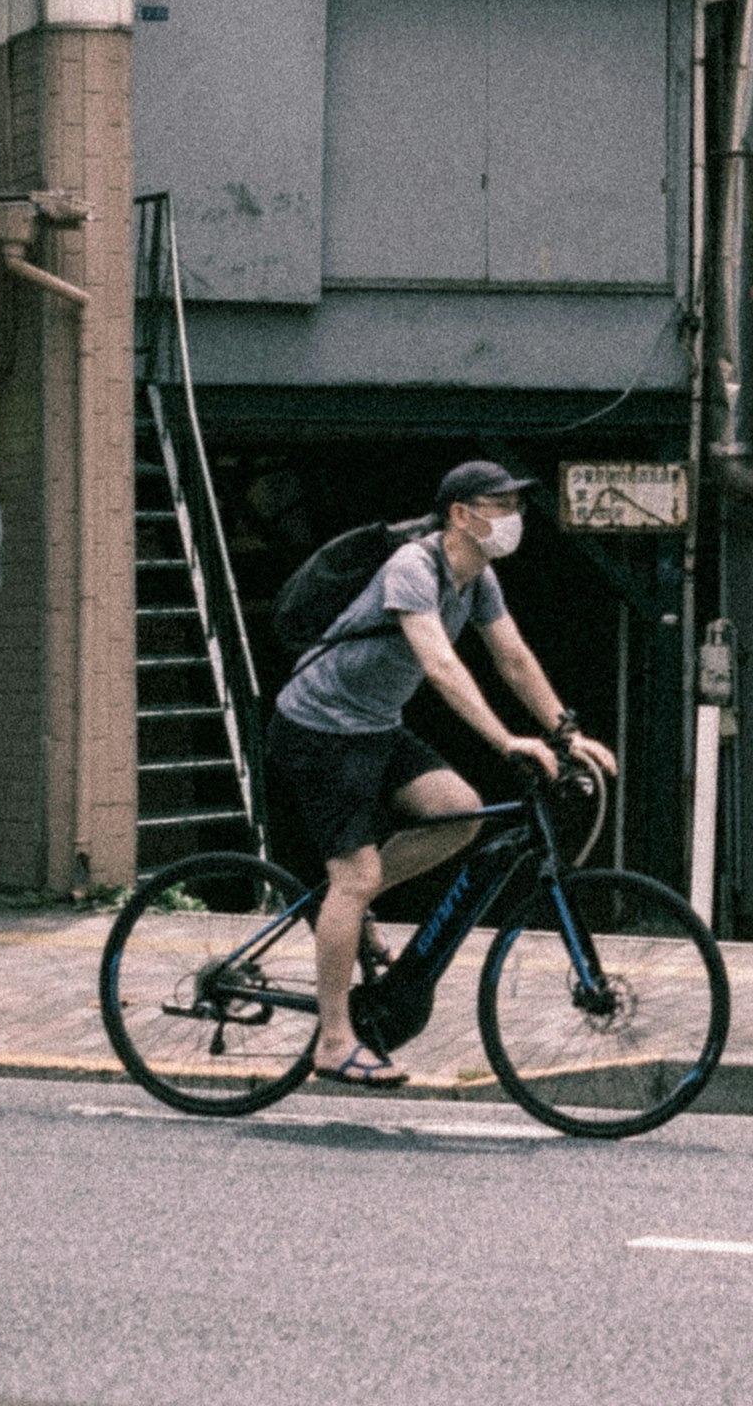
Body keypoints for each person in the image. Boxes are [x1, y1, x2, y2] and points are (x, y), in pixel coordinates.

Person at [265, 459, 618, 1087]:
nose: (514, 519)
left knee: (457, 812)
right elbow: (441, 666)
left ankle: (344, 906)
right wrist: (509, 740)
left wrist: (567, 733)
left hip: (373, 724)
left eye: (517, 506)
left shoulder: (477, 579)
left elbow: (512, 657)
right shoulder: (413, 567)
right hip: (318, 727)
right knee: (357, 874)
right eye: (501, 505)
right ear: (461, 514)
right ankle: (335, 1039)